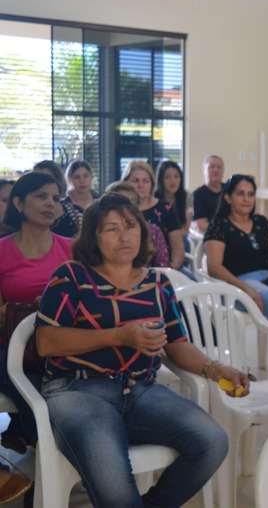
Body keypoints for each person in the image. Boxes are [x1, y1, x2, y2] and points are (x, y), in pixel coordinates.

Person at [35, 193, 249, 507]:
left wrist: (216, 370)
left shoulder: (157, 285)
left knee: (212, 442)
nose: (124, 236)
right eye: (111, 229)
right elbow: (46, 342)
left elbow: (177, 345)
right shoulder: (72, 276)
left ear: (143, 232)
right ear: (94, 237)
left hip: (140, 389)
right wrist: (120, 336)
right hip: (76, 390)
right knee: (119, 493)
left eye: (131, 226)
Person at [0, 172, 72, 502]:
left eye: (56, 198)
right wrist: (32, 309)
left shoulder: (71, 249)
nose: (50, 204)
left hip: (62, 346)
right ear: (18, 203)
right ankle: (49, 478)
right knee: (40, 402)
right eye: (41, 196)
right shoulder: (2, 251)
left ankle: (49, 475)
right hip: (11, 350)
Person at [204, 174, 268, 329]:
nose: (247, 199)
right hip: (237, 283)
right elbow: (214, 267)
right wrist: (244, 288)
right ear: (228, 198)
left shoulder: (261, 222)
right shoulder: (219, 225)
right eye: (240, 194)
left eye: (250, 194)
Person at [123, 160, 184, 270]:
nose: (140, 185)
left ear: (152, 184)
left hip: (164, 268)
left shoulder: (165, 207)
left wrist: (171, 271)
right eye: (135, 181)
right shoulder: (120, 209)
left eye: (145, 181)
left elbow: (178, 247)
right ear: (126, 183)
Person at [105, 181, 171, 268]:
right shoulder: (103, 231)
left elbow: (164, 268)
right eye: (122, 203)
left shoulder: (153, 231)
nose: (128, 208)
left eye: (133, 202)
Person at [33, 160, 82, 238]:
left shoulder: (75, 212)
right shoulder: (28, 215)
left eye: (46, 179)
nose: (40, 183)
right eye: (36, 180)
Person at [155, 160, 192, 235]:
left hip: (179, 237)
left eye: (176, 177)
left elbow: (185, 230)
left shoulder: (187, 197)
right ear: (160, 180)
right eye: (167, 177)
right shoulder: (154, 198)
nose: (173, 181)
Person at [191, 154, 225, 233]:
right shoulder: (198, 195)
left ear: (223, 171)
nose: (216, 170)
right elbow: (200, 225)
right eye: (211, 167)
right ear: (204, 170)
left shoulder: (230, 190)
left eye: (219, 167)